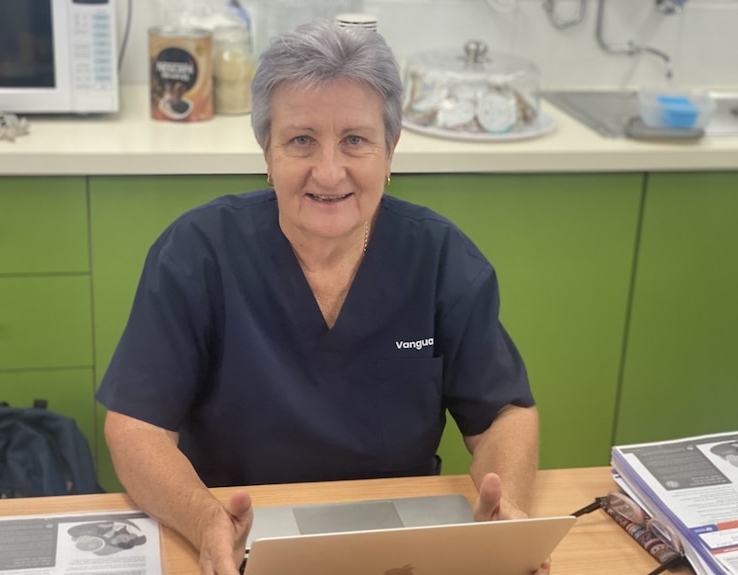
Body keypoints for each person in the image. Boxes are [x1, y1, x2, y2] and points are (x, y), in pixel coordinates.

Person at [97, 20, 544, 575]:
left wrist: (510, 508)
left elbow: (504, 413)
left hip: (396, 546)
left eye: (355, 140)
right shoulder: (197, 252)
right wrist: (205, 519)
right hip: (237, 529)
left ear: (391, 148)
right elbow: (135, 428)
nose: (329, 172)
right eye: (301, 139)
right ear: (266, 148)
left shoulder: (443, 259)